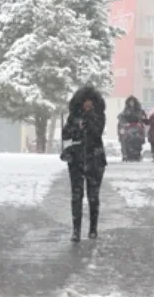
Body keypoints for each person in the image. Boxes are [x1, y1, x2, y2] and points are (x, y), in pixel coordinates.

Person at [61, 84, 107, 242]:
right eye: (85, 101)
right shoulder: (73, 117)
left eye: (90, 101)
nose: (88, 104)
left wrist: (88, 120)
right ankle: (76, 230)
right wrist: (76, 127)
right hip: (76, 159)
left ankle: (93, 228)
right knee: (76, 195)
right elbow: (66, 133)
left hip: (95, 158)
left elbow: (97, 131)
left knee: (93, 196)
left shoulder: (99, 115)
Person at [117, 96, 149, 161]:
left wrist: (142, 121)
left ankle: (137, 154)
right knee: (124, 139)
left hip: (137, 128)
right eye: (130, 102)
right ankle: (126, 155)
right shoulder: (125, 110)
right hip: (128, 128)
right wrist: (125, 124)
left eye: (133, 102)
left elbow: (144, 119)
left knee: (138, 139)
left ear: (135, 102)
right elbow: (121, 117)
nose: (131, 103)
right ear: (128, 103)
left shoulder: (139, 110)